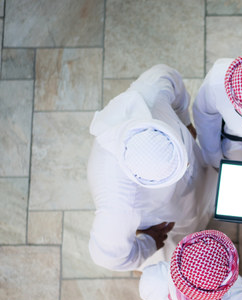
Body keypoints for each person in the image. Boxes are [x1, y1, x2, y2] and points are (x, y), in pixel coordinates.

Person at [88, 64, 217, 271]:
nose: (184, 166)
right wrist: (149, 243)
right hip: (167, 212)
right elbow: (108, 257)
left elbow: (169, 75)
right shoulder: (118, 201)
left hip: (197, 176)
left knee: (205, 183)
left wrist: (184, 121)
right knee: (188, 223)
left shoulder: (149, 95)